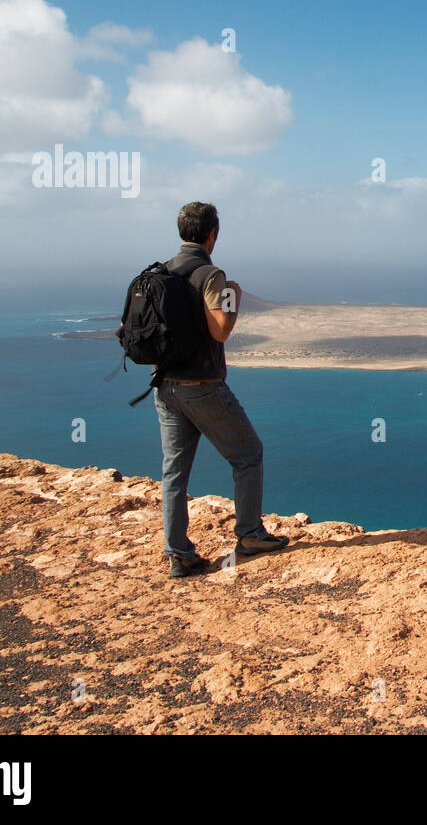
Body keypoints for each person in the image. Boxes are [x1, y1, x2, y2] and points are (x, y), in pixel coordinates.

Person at [154, 202, 288, 578]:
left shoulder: (161, 272)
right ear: (213, 234)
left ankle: (178, 554)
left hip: (165, 387)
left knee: (174, 474)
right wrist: (234, 296)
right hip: (202, 387)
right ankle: (249, 534)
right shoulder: (210, 274)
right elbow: (222, 329)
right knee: (248, 454)